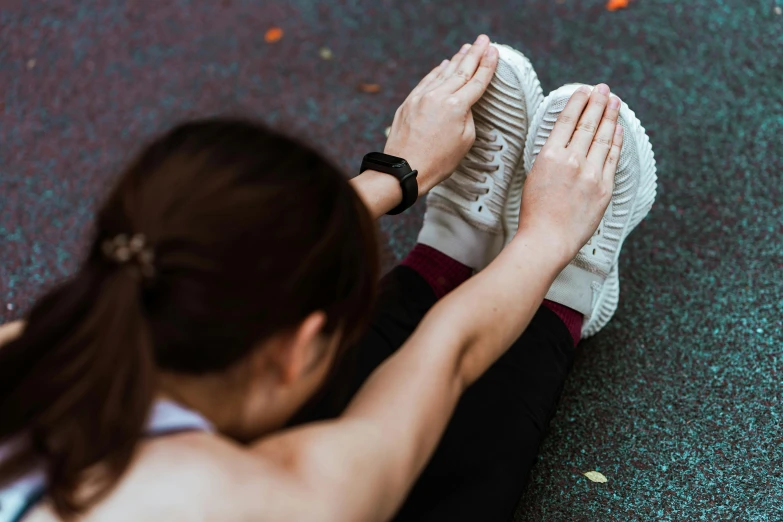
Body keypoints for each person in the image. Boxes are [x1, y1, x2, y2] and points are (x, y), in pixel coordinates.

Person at [0, 35, 656, 522]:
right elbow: (446, 358)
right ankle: (559, 303)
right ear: (296, 350)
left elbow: (179, 265)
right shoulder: (235, 501)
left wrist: (395, 175)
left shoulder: (32, 347)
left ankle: (450, 257)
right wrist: (547, 238)